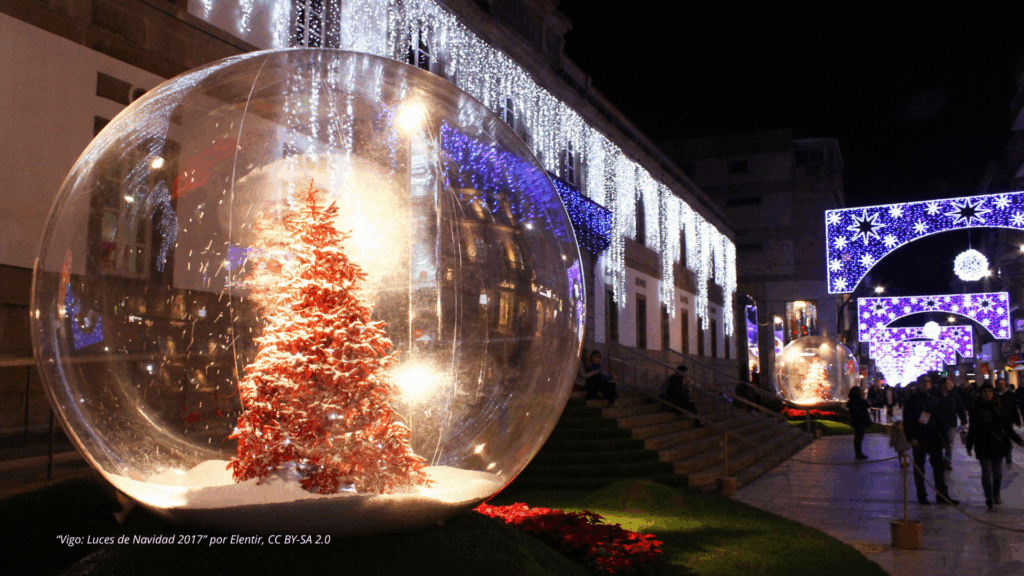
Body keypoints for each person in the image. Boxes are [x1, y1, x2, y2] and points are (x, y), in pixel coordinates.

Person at [966, 383, 1024, 509]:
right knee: (986, 472)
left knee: (997, 473)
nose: (988, 393)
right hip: (982, 444)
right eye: (985, 391)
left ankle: (996, 493)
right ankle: (989, 497)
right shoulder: (975, 409)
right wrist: (969, 445)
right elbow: (973, 429)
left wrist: (1018, 440)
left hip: (997, 444)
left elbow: (1007, 428)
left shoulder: (998, 408)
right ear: (981, 393)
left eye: (990, 391)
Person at [903, 375, 958, 505]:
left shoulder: (934, 399)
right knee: (919, 469)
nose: (926, 384)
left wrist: (944, 438)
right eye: (923, 381)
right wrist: (910, 437)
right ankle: (922, 496)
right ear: (917, 384)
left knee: (939, 469)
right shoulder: (912, 400)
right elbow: (908, 421)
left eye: (928, 381)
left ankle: (942, 495)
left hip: (934, 439)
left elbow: (941, 420)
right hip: (919, 439)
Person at [933, 376, 967, 470]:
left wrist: (964, 421)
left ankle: (947, 461)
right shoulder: (935, 395)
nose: (951, 385)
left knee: (950, 442)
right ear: (943, 385)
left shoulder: (954, 396)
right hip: (937, 423)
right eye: (948, 383)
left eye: (950, 383)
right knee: (938, 442)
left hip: (951, 423)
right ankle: (939, 460)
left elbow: (960, 409)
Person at [995, 378, 1021, 465]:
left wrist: (1017, 421)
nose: (1001, 385)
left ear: (1005, 384)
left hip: (1008, 419)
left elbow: (1014, 408)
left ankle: (1008, 456)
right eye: (999, 384)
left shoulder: (1010, 394)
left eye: (1002, 384)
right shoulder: (994, 394)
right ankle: (1000, 454)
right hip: (996, 420)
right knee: (998, 438)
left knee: (1008, 437)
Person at [847, 386, 871, 459]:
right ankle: (859, 453)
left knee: (857, 437)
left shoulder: (850, 401)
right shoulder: (860, 401)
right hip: (861, 420)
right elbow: (867, 405)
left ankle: (858, 452)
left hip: (855, 420)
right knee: (859, 437)